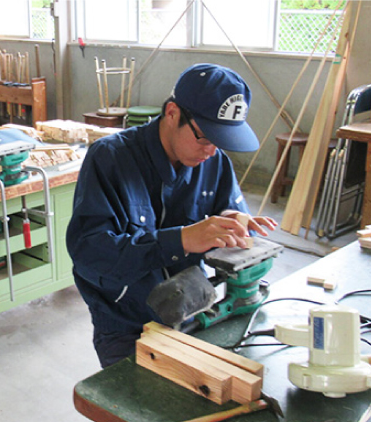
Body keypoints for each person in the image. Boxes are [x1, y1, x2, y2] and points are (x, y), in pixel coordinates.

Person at [66, 63, 278, 368]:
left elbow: (228, 213)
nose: (211, 151)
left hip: (194, 308)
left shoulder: (214, 161)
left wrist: (233, 222)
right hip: (129, 325)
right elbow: (89, 254)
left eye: (222, 141)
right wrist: (181, 240)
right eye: (205, 137)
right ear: (172, 113)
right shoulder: (111, 158)